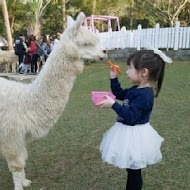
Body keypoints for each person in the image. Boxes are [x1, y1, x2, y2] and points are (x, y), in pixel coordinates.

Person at [96, 49, 172, 190]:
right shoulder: (136, 89)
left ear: (144, 72)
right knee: (132, 170)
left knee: (134, 172)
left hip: (135, 136)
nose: (127, 71)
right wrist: (113, 78)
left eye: (130, 68)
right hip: (127, 133)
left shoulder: (144, 96)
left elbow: (131, 117)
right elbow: (119, 93)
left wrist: (113, 105)